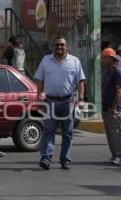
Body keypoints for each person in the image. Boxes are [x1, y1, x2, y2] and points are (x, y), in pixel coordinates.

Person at [34, 36, 85, 170]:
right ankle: (46, 158)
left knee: (67, 132)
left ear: (66, 46)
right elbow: (40, 80)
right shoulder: (46, 60)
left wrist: (81, 100)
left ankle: (65, 159)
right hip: (50, 101)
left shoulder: (74, 61)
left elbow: (80, 81)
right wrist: (39, 97)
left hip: (68, 101)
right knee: (48, 130)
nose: (59, 47)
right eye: (56, 45)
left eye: (62, 45)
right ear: (53, 47)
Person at [101, 48, 121, 165]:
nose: (103, 60)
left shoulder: (117, 71)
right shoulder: (107, 72)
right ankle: (115, 155)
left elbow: (119, 91)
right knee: (110, 133)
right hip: (106, 109)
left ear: (111, 59)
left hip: (114, 109)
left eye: (104, 58)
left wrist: (114, 107)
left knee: (116, 133)